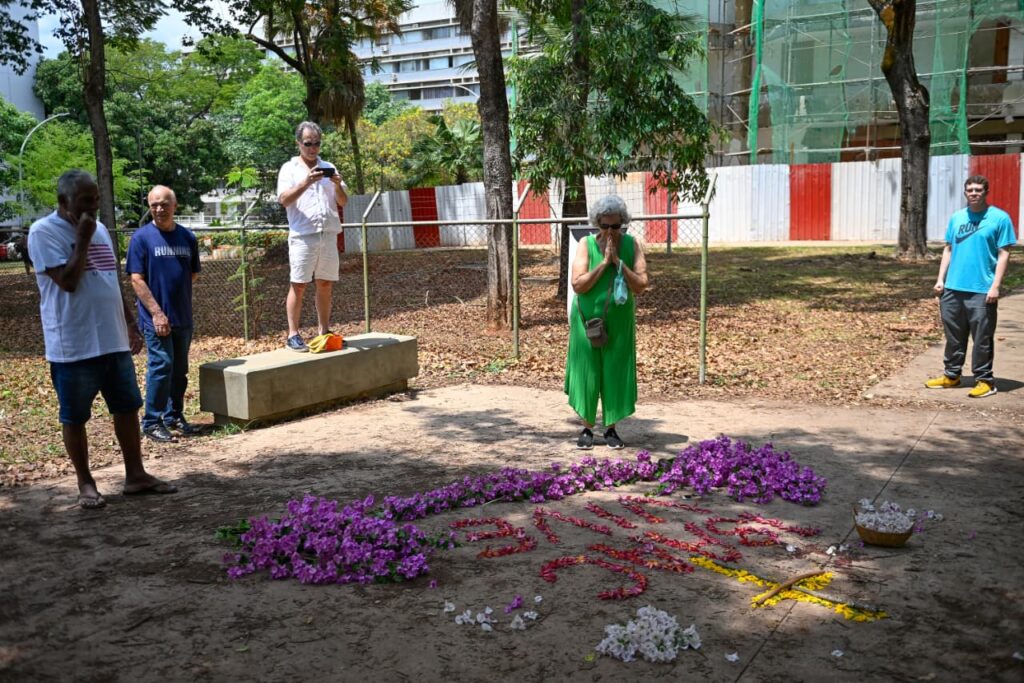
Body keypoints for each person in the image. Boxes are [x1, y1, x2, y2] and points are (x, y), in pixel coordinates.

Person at [27, 170, 178, 509]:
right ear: (64, 202)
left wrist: (129, 323)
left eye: (96, 200)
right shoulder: (43, 232)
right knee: (75, 416)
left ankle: (135, 475)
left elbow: (108, 279)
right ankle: (85, 483)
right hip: (73, 344)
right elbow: (68, 281)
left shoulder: (99, 230)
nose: (93, 208)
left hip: (112, 339)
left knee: (127, 407)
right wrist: (81, 238)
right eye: (86, 202)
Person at [565, 195, 649, 449]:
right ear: (596, 224)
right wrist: (603, 264)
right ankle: (586, 428)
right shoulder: (585, 244)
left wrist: (618, 263)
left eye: (616, 226)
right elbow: (578, 285)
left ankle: (611, 428)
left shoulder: (632, 245)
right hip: (586, 320)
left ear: (623, 224)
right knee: (587, 370)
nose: (610, 231)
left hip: (619, 320)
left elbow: (641, 284)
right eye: (604, 226)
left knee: (614, 370)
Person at [925, 175, 1015, 398]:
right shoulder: (957, 218)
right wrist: (940, 279)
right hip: (953, 289)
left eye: (978, 190)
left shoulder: (999, 218)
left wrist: (995, 286)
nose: (973, 193)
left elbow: (1004, 254)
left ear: (986, 191)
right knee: (954, 336)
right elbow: (948, 249)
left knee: (982, 338)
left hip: (982, 290)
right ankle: (952, 375)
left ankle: (985, 380)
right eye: (970, 190)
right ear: (965, 193)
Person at [126, 185, 202, 442]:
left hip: (183, 316)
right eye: (154, 204)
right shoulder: (141, 238)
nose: (159, 209)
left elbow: (192, 273)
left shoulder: (188, 237)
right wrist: (157, 313)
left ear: (175, 205)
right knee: (161, 365)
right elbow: (136, 279)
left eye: (164, 204)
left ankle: (173, 416)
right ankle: (151, 421)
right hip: (155, 317)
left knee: (179, 369)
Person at [277, 121, 349, 352]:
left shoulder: (329, 166)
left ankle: (324, 330)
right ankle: (293, 334)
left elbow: (343, 201)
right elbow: (284, 200)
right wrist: (306, 182)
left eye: (317, 143)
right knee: (298, 284)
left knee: (325, 283)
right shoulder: (289, 169)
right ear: (298, 143)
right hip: (303, 235)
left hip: (328, 233)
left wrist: (337, 185)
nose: (313, 148)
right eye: (308, 143)